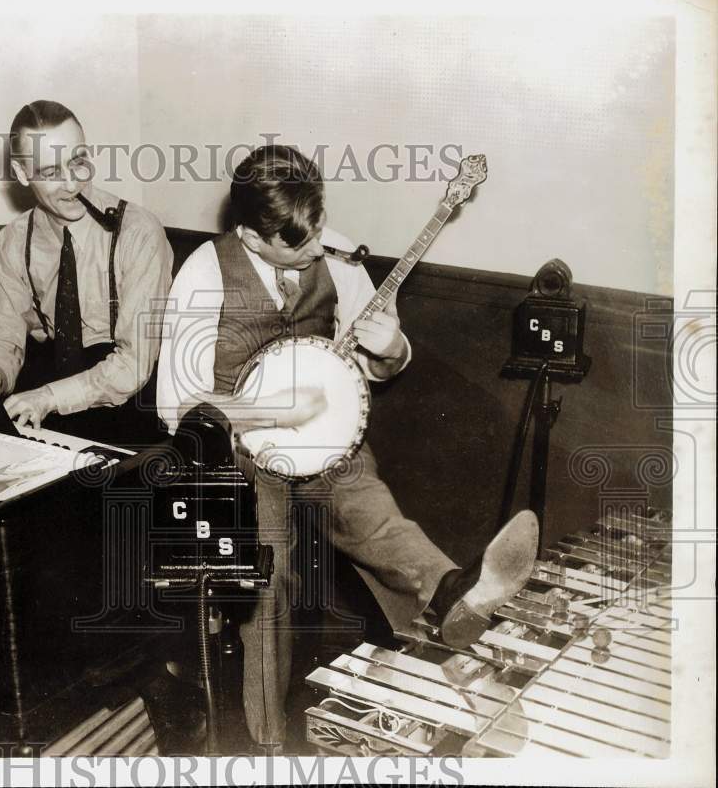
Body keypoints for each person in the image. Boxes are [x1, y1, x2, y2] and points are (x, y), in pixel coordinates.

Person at [155, 145, 539, 751]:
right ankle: (264, 746)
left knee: (370, 507)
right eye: (295, 245)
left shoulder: (331, 251)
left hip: (326, 444)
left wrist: (391, 349)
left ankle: (456, 593)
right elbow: (178, 405)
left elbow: (376, 363)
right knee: (269, 580)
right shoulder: (204, 273)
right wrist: (278, 412)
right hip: (243, 456)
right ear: (250, 236)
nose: (314, 250)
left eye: (317, 230)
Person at [0, 100, 173, 444]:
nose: (72, 184)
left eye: (78, 162)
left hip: (128, 403)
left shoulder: (139, 232)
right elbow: (1, 343)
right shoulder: (12, 241)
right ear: (23, 174)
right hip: (46, 390)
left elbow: (134, 364)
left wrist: (47, 398)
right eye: (52, 172)